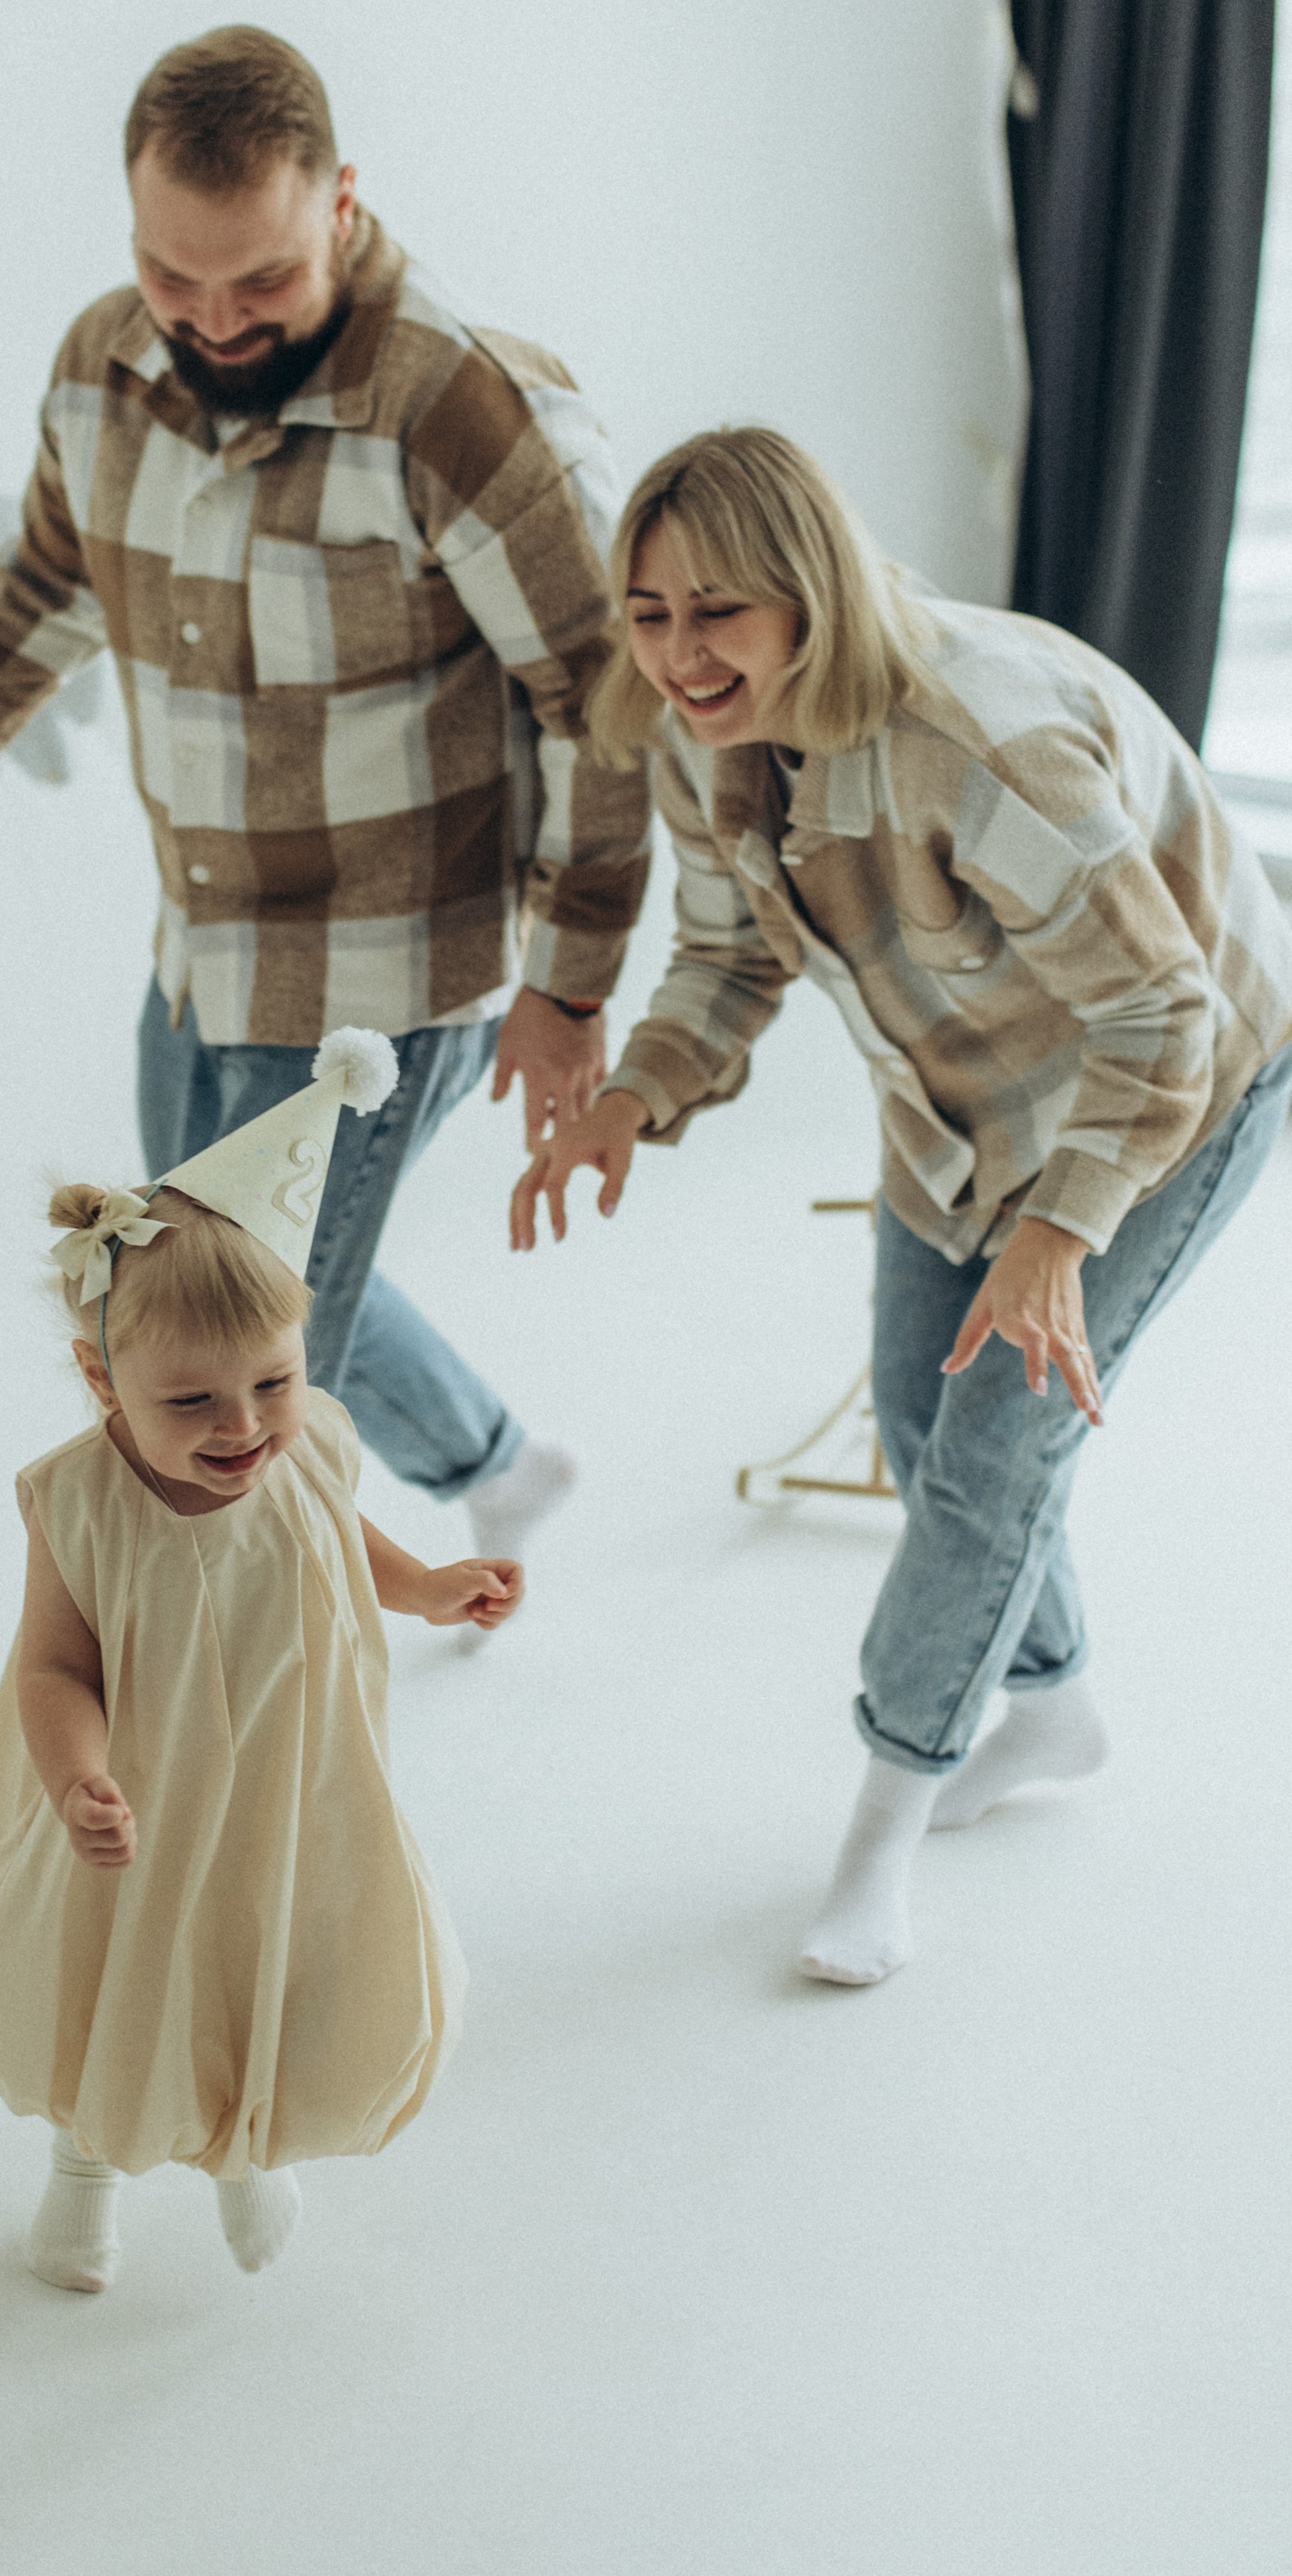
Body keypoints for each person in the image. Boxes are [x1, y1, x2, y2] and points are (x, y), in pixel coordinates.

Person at [0, 24, 650, 1563]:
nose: (214, 321)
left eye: (262, 282)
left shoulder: (459, 406)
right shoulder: (105, 365)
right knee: (210, 1291)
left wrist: (568, 988)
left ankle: (228, 1693)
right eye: (176, 278)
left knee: (226, 1374)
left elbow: (601, 707)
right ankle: (498, 1467)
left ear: (343, 206)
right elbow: (41, 591)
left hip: (384, 982)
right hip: (202, 954)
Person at [511, 427, 1292, 1985]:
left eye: (716, 611)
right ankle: (1053, 1707)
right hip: (953, 1091)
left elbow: (1161, 1022)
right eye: (650, 614)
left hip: (1163, 1087)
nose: (677, 653)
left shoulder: (975, 744)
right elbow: (731, 952)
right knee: (921, 1423)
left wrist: (1057, 1237)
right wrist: (631, 1095)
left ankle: (879, 1824)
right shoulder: (691, 725)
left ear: (806, 594)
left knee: (993, 1452)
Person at [0, 1031, 520, 2290]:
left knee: (274, 1963)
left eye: (273, 1382)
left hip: (291, 1785)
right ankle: (84, 2170)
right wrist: (79, 1777)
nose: (243, 1426)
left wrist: (421, 1585)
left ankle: (247, 2148)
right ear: (102, 1381)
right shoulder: (80, 1504)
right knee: (127, 1986)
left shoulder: (309, 1447)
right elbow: (52, 1667)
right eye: (191, 1401)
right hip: (142, 1808)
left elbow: (335, 1535)